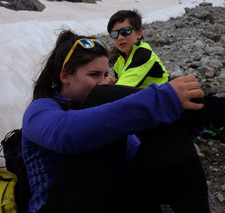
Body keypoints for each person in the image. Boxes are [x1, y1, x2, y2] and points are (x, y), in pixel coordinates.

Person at [22, 30, 210, 213]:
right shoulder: (40, 109)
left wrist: (180, 127)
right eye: (94, 74)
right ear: (65, 76)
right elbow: (66, 134)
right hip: (57, 205)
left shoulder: (97, 111)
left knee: (161, 130)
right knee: (103, 97)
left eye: (105, 75)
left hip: (104, 199)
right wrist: (162, 99)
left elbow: (139, 156)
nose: (103, 81)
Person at [107, 9, 169, 88]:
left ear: (139, 33)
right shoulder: (119, 62)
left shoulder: (144, 54)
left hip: (162, 97)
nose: (120, 37)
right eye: (114, 34)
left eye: (126, 31)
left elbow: (120, 89)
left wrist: (107, 87)